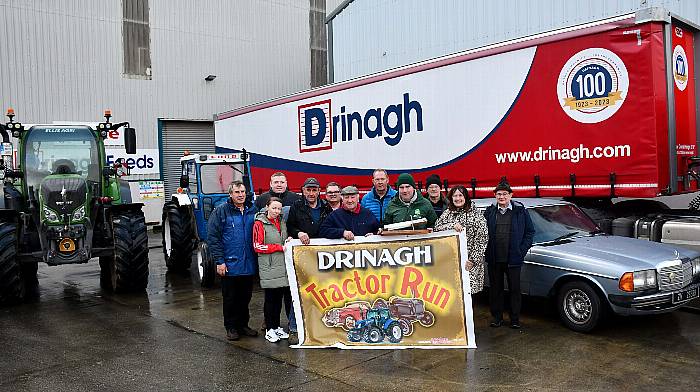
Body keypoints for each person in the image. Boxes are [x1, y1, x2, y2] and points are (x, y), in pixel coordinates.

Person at [207, 180, 259, 341]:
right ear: (230, 194)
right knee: (230, 298)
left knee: (245, 297)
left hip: (248, 263)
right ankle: (231, 327)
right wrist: (219, 261)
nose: (240, 195)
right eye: (237, 192)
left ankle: (243, 325)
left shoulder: (253, 210)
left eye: (242, 191)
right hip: (230, 263)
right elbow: (213, 237)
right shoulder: (221, 211)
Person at [484, 181, 535, 329]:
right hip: (495, 258)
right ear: (495, 195)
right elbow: (482, 233)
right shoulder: (489, 212)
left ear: (511, 195)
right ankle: (497, 318)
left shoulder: (520, 211)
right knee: (496, 290)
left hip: (513, 259)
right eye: (499, 194)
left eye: (505, 194)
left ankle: (514, 319)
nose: (502, 197)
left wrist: (521, 251)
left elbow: (530, 232)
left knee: (514, 289)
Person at [433, 185, 488, 294]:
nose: (457, 198)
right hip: (450, 262)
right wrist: (452, 225)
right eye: (455, 196)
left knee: (467, 295)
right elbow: (436, 229)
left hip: (469, 263)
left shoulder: (476, 214)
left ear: (466, 197)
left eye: (460, 195)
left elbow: (482, 239)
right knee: (452, 294)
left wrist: (472, 260)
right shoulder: (447, 213)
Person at [253, 197, 294, 343]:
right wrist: (279, 247)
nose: (276, 211)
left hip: (281, 266)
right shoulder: (259, 223)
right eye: (274, 208)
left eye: (279, 209)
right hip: (269, 266)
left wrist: (288, 240)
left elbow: (282, 239)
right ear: (267, 207)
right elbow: (257, 246)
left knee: (279, 299)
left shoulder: (281, 222)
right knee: (270, 299)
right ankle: (270, 329)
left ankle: (276, 327)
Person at [287, 178, 333, 244]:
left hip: (324, 246)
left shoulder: (326, 206)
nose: (311, 194)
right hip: (303, 246)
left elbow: (332, 226)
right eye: (308, 190)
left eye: (314, 190)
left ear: (319, 191)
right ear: (303, 190)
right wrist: (298, 233)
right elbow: (290, 226)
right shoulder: (296, 206)